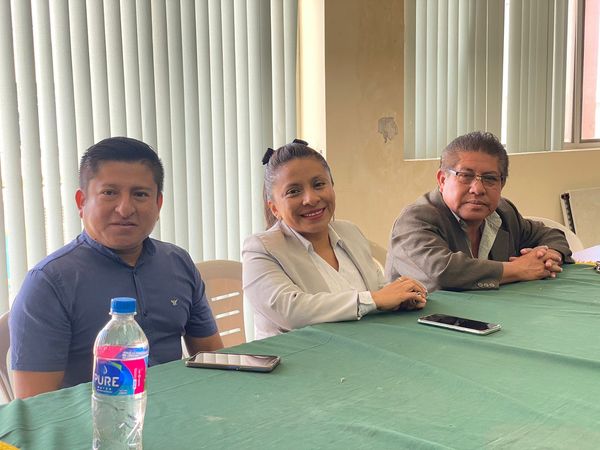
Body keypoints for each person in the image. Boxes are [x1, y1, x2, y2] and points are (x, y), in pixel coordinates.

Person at [10, 137, 223, 398]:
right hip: (98, 419)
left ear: (158, 204)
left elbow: (213, 357)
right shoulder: (49, 283)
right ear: (81, 202)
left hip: (181, 409)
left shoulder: (178, 262)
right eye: (109, 193)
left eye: (140, 194)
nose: (125, 209)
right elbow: (35, 404)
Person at [242, 139, 427, 340]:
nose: (311, 199)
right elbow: (291, 312)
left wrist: (401, 297)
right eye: (293, 191)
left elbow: (377, 289)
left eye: (319, 184)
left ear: (332, 187)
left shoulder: (350, 231)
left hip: (363, 345)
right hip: (301, 355)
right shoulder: (260, 249)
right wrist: (375, 299)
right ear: (274, 208)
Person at [385, 131, 573, 292]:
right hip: (423, 319)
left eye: (490, 178)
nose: (478, 189)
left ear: (502, 184)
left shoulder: (504, 213)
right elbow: (443, 273)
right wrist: (520, 269)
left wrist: (549, 256)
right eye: (465, 176)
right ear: (442, 180)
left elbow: (552, 235)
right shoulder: (415, 219)